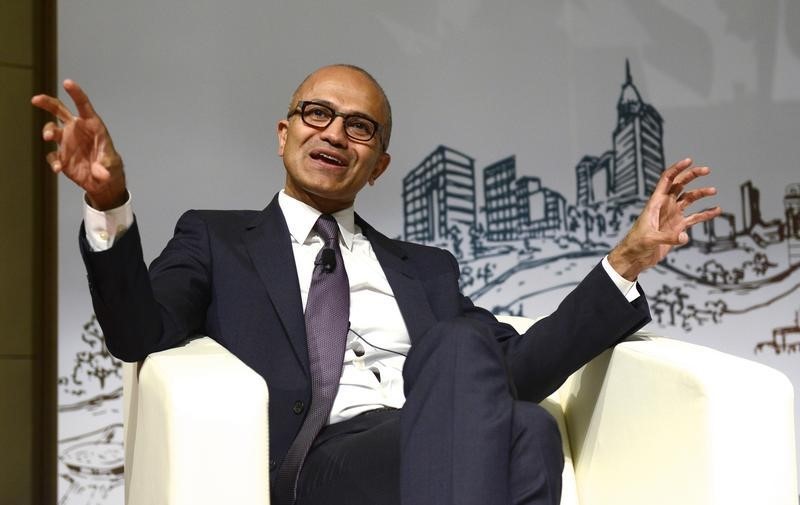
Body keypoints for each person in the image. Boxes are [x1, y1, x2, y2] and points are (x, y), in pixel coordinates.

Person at [32, 64, 721, 505]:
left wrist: (625, 263)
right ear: (283, 133)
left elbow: (515, 369)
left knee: (520, 418)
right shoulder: (216, 238)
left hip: (431, 439)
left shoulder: (428, 267)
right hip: (312, 463)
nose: (336, 132)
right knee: (521, 432)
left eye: (360, 127)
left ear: (379, 163)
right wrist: (108, 203)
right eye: (317, 114)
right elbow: (136, 333)